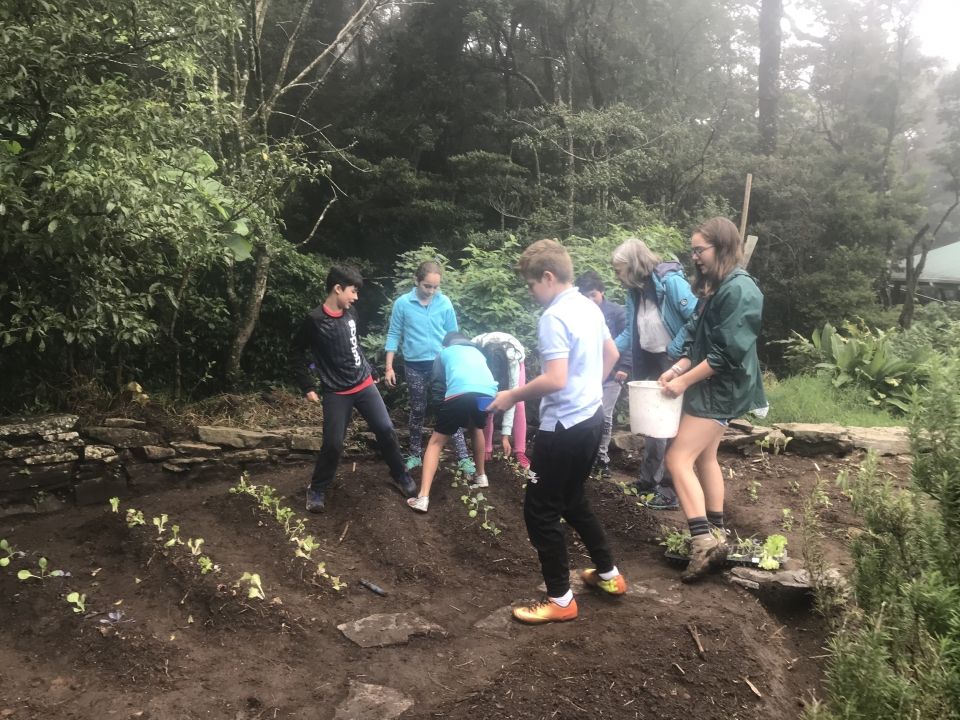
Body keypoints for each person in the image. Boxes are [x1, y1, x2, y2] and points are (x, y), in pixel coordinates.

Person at [489, 239, 628, 625]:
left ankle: (561, 600)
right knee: (572, 500)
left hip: (563, 429)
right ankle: (609, 576)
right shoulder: (588, 305)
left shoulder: (553, 317)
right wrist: (589, 390)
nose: (532, 293)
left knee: (540, 511)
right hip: (592, 419)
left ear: (547, 277)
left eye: (532, 285)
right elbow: (612, 355)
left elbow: (554, 379)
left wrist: (511, 396)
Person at [659, 217, 767, 582]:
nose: (694, 257)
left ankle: (703, 541)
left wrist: (684, 381)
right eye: (692, 250)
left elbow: (726, 355)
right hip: (714, 385)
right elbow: (702, 343)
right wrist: (676, 371)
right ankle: (718, 533)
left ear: (720, 248)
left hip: (722, 389)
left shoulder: (740, 290)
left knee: (676, 459)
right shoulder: (718, 287)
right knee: (705, 456)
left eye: (698, 250)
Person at [290, 264, 417, 513]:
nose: (356, 297)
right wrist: (307, 385)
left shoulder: (351, 313)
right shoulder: (314, 321)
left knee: (386, 429)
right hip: (336, 391)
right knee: (333, 443)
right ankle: (317, 489)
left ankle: (400, 474)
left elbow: (352, 345)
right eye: (353, 291)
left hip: (364, 383)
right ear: (337, 288)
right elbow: (295, 352)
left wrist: (371, 370)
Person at [611, 239, 699, 511]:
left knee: (664, 425)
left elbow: (697, 317)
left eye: (619, 269)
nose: (616, 275)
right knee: (652, 424)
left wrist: (675, 349)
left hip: (672, 360)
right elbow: (630, 334)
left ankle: (666, 488)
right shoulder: (635, 292)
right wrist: (604, 351)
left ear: (634, 265)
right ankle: (649, 482)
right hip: (649, 359)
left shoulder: (670, 283)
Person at [384, 261, 476, 479]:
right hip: (414, 365)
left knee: (449, 409)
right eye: (427, 286)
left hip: (440, 365)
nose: (432, 291)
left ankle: (463, 457)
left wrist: (458, 363)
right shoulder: (403, 304)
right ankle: (415, 453)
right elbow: (393, 334)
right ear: (416, 281)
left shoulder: (444, 303)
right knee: (417, 410)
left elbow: (453, 336)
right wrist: (389, 367)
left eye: (435, 287)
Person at [406, 333, 497, 512]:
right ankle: (481, 476)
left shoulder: (444, 353)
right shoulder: (478, 352)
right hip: (488, 394)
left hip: (460, 393)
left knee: (436, 442)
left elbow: (438, 384)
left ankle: (423, 497)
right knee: (476, 428)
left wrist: (441, 409)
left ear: (446, 345)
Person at [575, 271, 631, 479]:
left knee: (605, 416)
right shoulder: (578, 314)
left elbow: (629, 340)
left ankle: (601, 458)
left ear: (602, 292)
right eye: (585, 297)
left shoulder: (616, 312)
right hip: (586, 375)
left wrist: (624, 368)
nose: (590, 300)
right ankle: (584, 456)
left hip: (612, 375)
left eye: (593, 295)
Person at [471, 332, 531, 472]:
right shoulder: (474, 354)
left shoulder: (512, 359)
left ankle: (520, 451)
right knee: (488, 402)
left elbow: (513, 397)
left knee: (519, 403)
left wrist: (505, 436)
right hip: (483, 359)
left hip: (514, 358)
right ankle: (486, 448)